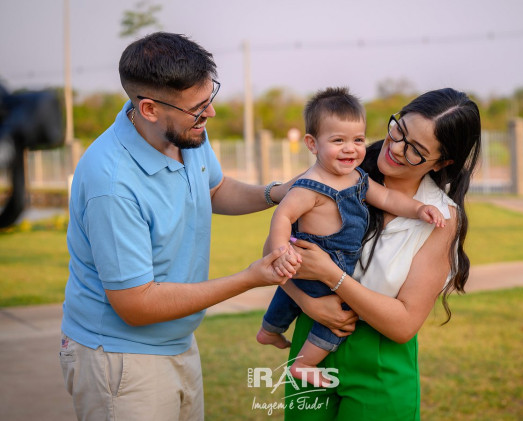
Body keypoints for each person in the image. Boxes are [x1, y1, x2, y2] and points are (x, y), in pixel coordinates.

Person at [59, 32, 294, 421]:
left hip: (178, 340)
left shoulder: (186, 130)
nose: (210, 113)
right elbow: (137, 304)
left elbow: (213, 189)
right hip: (121, 358)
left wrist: (277, 193)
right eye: (198, 108)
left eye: (210, 97)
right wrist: (250, 278)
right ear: (149, 109)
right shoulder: (112, 183)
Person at [280, 88, 481, 419]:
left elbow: (404, 325)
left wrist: (332, 276)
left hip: (380, 361)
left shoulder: (440, 217)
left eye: (415, 150)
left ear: (442, 163)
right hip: (310, 341)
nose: (397, 148)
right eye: (399, 130)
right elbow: (276, 252)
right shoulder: (341, 172)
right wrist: (307, 302)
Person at [255, 87, 445, 387]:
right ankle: (303, 364)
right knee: (340, 315)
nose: (350, 149)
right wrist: (281, 250)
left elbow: (388, 198)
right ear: (312, 144)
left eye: (358, 140)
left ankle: (269, 329)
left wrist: (419, 209)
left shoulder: (357, 178)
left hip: (328, 264)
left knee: (290, 298)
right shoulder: (309, 184)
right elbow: (283, 216)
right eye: (338, 141)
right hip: (316, 257)